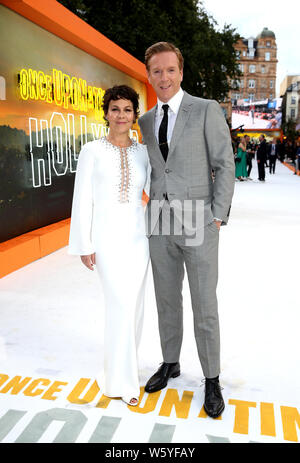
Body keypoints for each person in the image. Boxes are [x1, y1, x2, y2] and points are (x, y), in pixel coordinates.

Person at [138, 42, 235, 419]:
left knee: (203, 303)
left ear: (181, 72)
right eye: (156, 71)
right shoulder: (145, 121)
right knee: (166, 298)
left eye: (170, 70)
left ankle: (211, 377)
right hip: (159, 219)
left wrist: (217, 215)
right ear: (149, 75)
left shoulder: (206, 109)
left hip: (198, 216)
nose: (163, 77)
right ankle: (170, 362)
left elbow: (225, 164)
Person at [68, 85, 151, 407]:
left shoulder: (143, 152)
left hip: (138, 236)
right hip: (105, 237)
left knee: (136, 307)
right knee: (120, 305)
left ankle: (122, 372)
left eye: (127, 110)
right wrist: (84, 243)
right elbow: (82, 200)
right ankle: (123, 381)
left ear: (135, 115)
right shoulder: (91, 150)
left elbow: (158, 191)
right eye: (115, 109)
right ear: (105, 112)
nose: (121, 115)